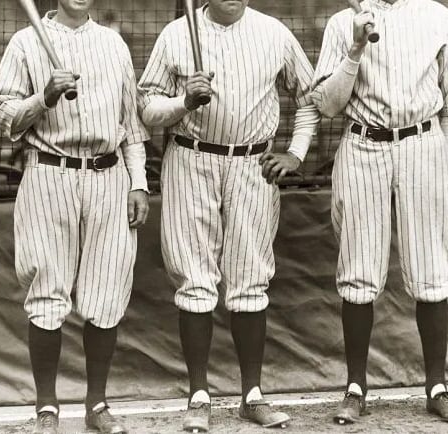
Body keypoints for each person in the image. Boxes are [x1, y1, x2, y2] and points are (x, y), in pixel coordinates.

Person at [138, 0, 319, 431]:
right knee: (195, 278)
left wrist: (295, 153)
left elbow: (311, 97)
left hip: (252, 163)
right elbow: (146, 108)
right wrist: (184, 102)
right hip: (191, 158)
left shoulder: (273, 33)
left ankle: (251, 395)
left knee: (250, 276)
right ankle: (198, 395)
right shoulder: (177, 33)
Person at [0, 1, 149, 433]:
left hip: (107, 175)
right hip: (49, 172)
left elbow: (132, 126)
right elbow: (4, 116)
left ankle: (97, 405)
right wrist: (42, 98)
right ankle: (47, 408)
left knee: (106, 291)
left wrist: (138, 183)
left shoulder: (113, 44)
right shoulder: (25, 41)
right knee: (47, 292)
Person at [312, 0, 448, 425]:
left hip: (422, 141)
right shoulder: (341, 22)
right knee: (358, 269)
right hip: (363, 143)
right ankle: (355, 387)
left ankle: (437, 386)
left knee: (431, 268)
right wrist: (354, 50)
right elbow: (328, 106)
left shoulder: (436, 14)